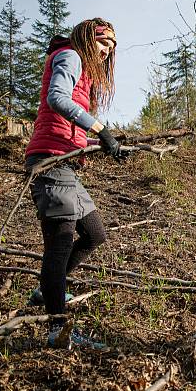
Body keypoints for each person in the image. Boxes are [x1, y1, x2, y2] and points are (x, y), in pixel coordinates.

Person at [25, 18, 126, 349]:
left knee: (95, 233)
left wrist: (105, 144)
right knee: (61, 242)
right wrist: (100, 129)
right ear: (87, 37)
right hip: (48, 160)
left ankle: (49, 288)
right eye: (103, 41)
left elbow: (74, 124)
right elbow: (57, 99)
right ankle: (57, 328)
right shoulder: (70, 56)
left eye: (112, 45)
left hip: (65, 164)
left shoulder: (85, 71)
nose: (107, 49)